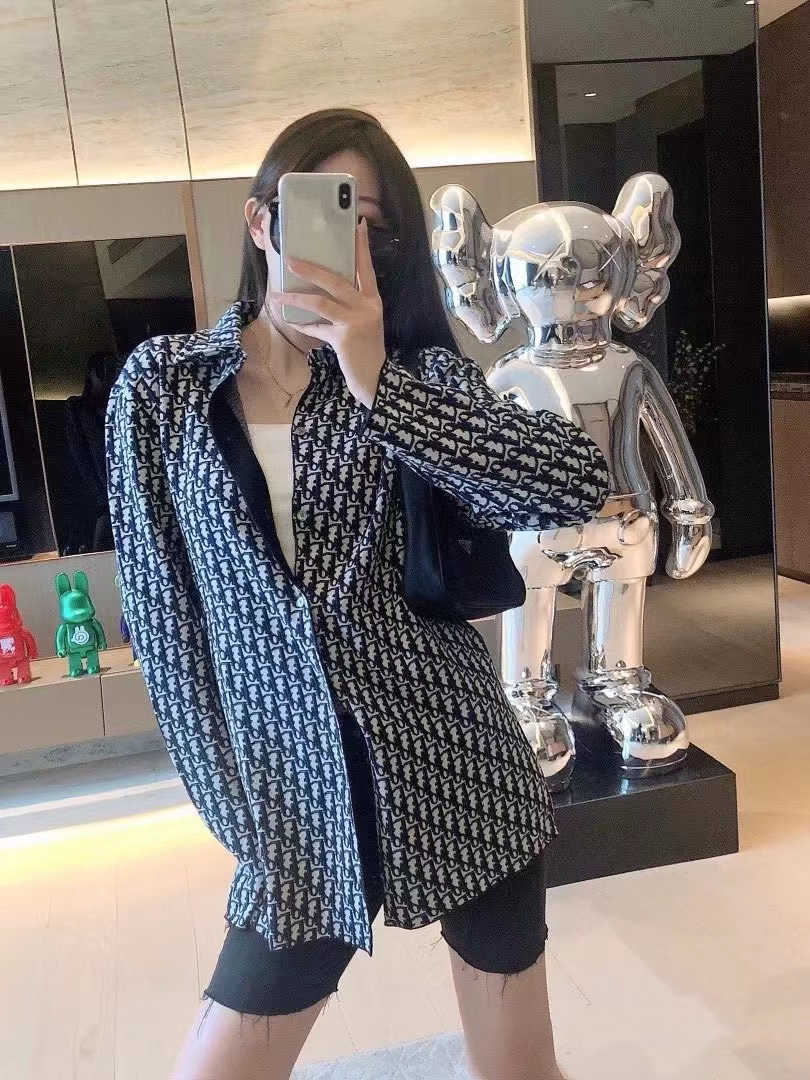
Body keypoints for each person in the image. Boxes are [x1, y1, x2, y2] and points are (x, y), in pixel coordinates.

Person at [106, 108, 610, 1080]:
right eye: (330, 210)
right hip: (293, 800)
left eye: (374, 226)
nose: (353, 240)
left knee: (518, 1068)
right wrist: (239, 810)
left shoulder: (419, 376)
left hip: (458, 764)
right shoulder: (164, 386)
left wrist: (380, 383)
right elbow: (166, 627)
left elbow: (568, 485)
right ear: (263, 220)